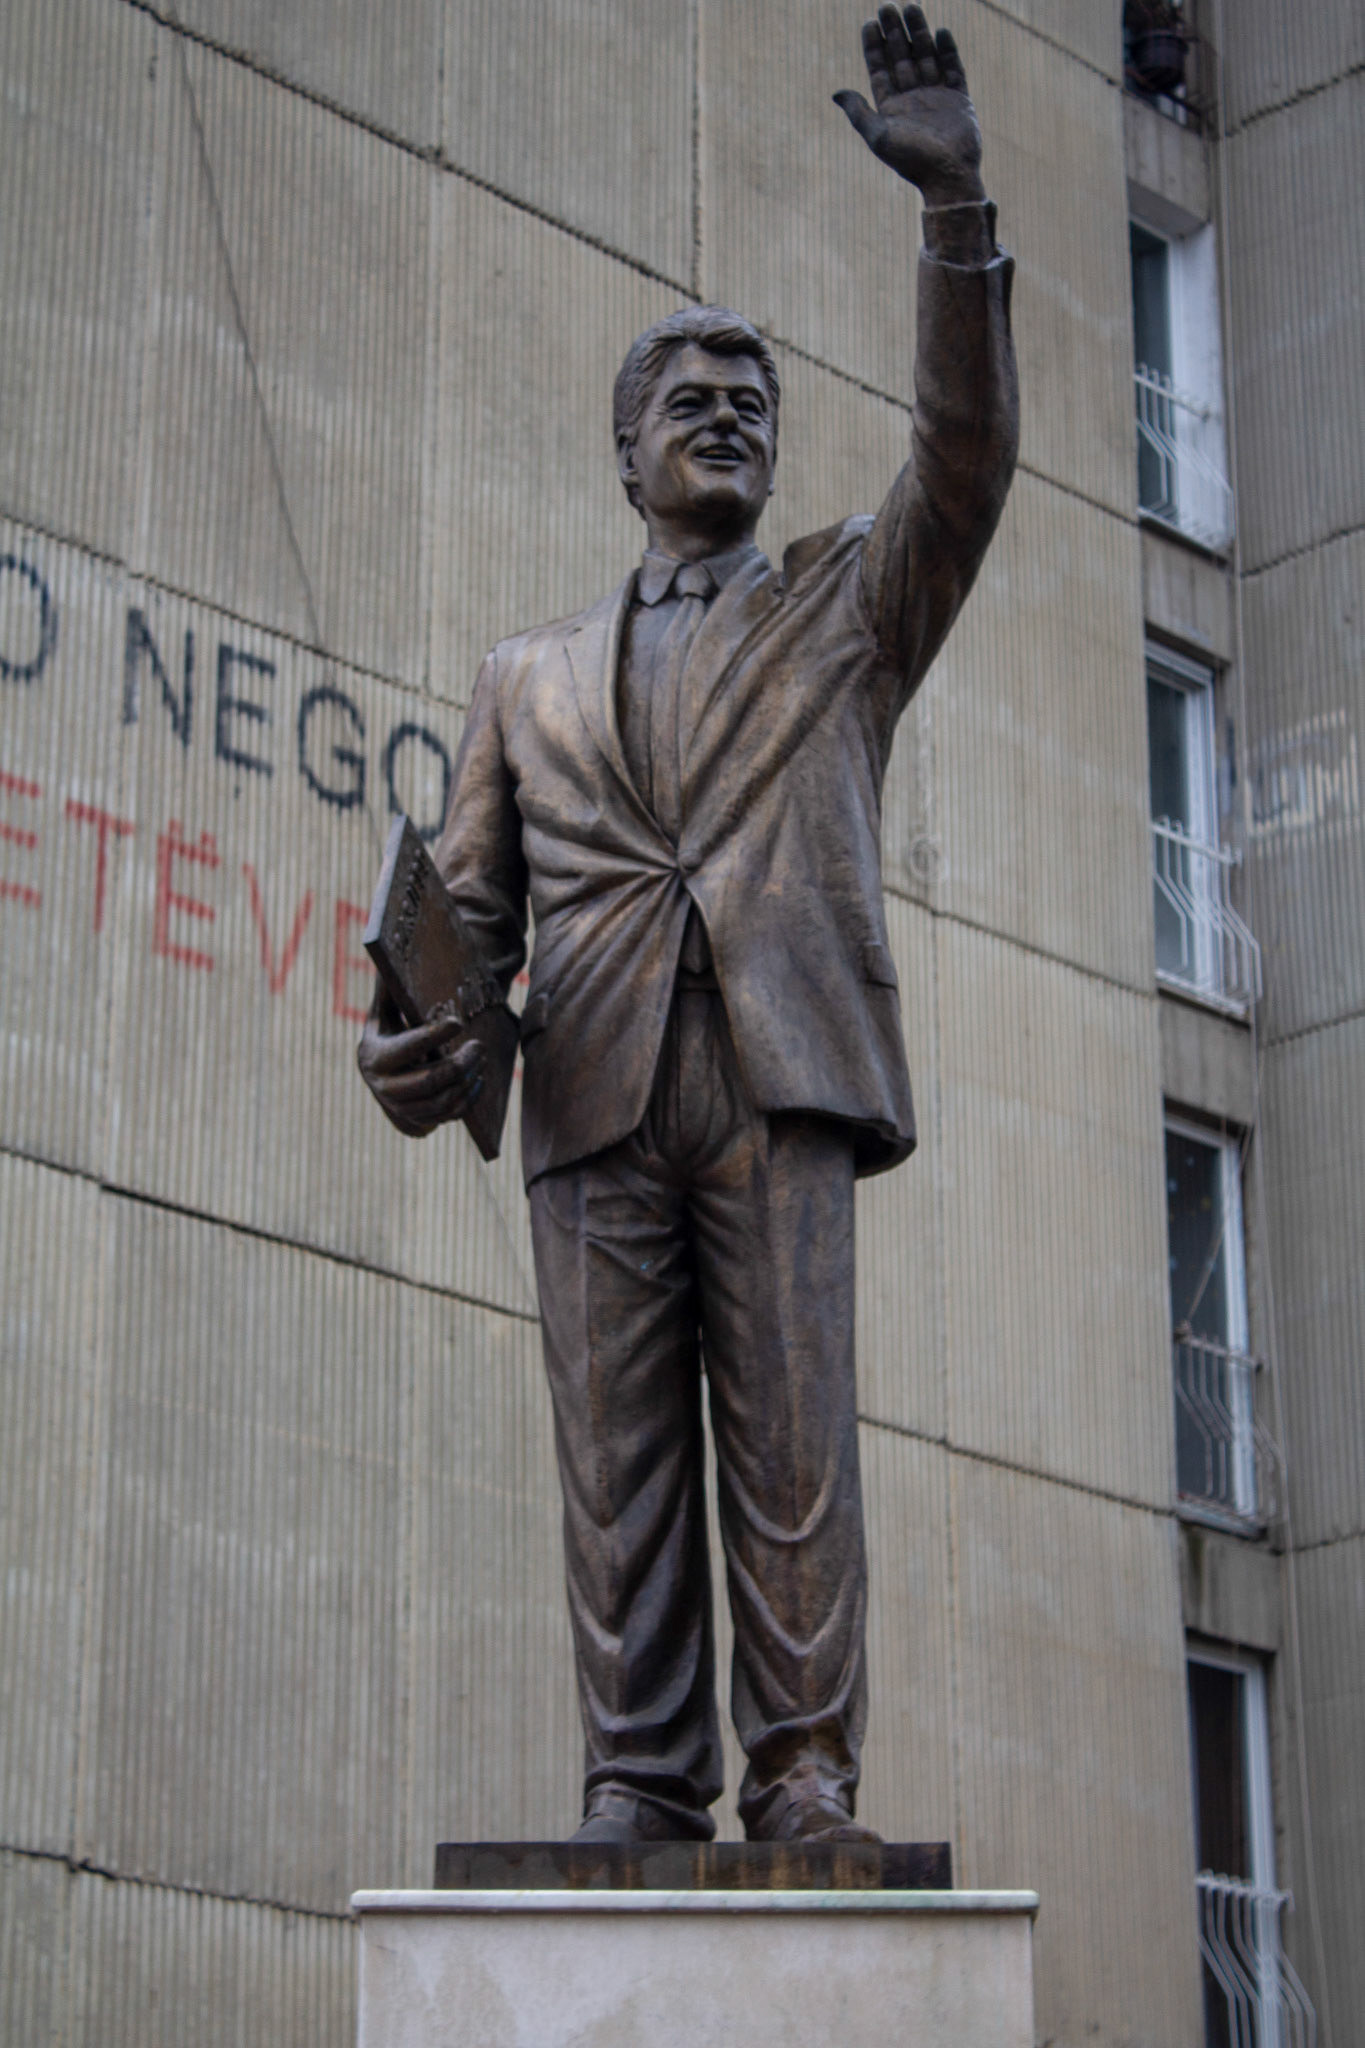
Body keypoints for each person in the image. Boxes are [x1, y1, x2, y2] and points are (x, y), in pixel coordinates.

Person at [359, 5, 1017, 1846]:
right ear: (623, 453)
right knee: (617, 1469)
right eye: (688, 400)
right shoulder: (526, 675)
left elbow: (962, 462)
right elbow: (467, 918)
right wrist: (408, 1041)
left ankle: (803, 1777)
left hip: (777, 1069)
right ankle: (636, 1784)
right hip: (587, 1091)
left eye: (755, 400)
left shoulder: (845, 614)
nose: (726, 415)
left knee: (795, 1453)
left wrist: (951, 207)